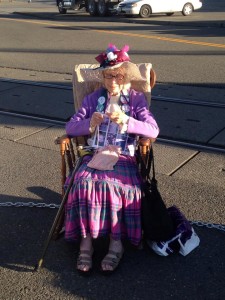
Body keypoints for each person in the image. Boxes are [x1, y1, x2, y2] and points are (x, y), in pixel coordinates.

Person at [65, 44, 159, 275]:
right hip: (95, 153)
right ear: (103, 76)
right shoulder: (93, 98)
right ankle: (85, 243)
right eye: (108, 75)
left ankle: (116, 244)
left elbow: (153, 130)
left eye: (117, 75)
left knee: (117, 186)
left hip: (123, 155)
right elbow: (69, 127)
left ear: (125, 76)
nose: (113, 81)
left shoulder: (135, 100)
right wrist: (89, 124)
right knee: (83, 183)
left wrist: (127, 121)